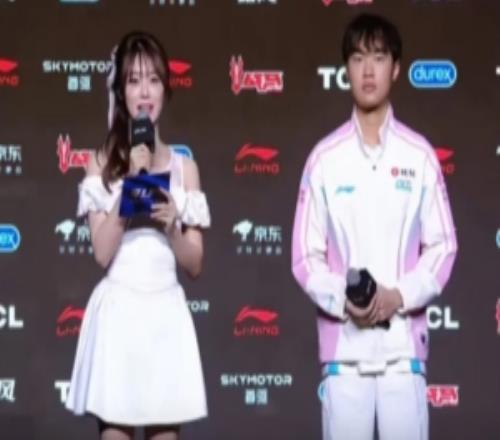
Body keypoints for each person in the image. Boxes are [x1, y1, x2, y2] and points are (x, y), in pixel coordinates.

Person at [291, 13, 457, 440]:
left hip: (404, 353)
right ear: (345, 68)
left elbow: (443, 247)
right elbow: (305, 258)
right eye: (358, 58)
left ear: (396, 69)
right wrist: (346, 300)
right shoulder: (324, 159)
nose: (368, 70)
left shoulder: (419, 155)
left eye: (379, 58)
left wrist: (397, 296)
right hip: (344, 355)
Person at [65, 31, 210, 440]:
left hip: (166, 316)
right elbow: (101, 253)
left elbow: (195, 264)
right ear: (121, 92)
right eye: (133, 80)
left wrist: (172, 225)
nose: (144, 92)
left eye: (153, 80)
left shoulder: (185, 168)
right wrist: (130, 184)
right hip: (119, 317)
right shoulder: (99, 164)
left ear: (165, 89)